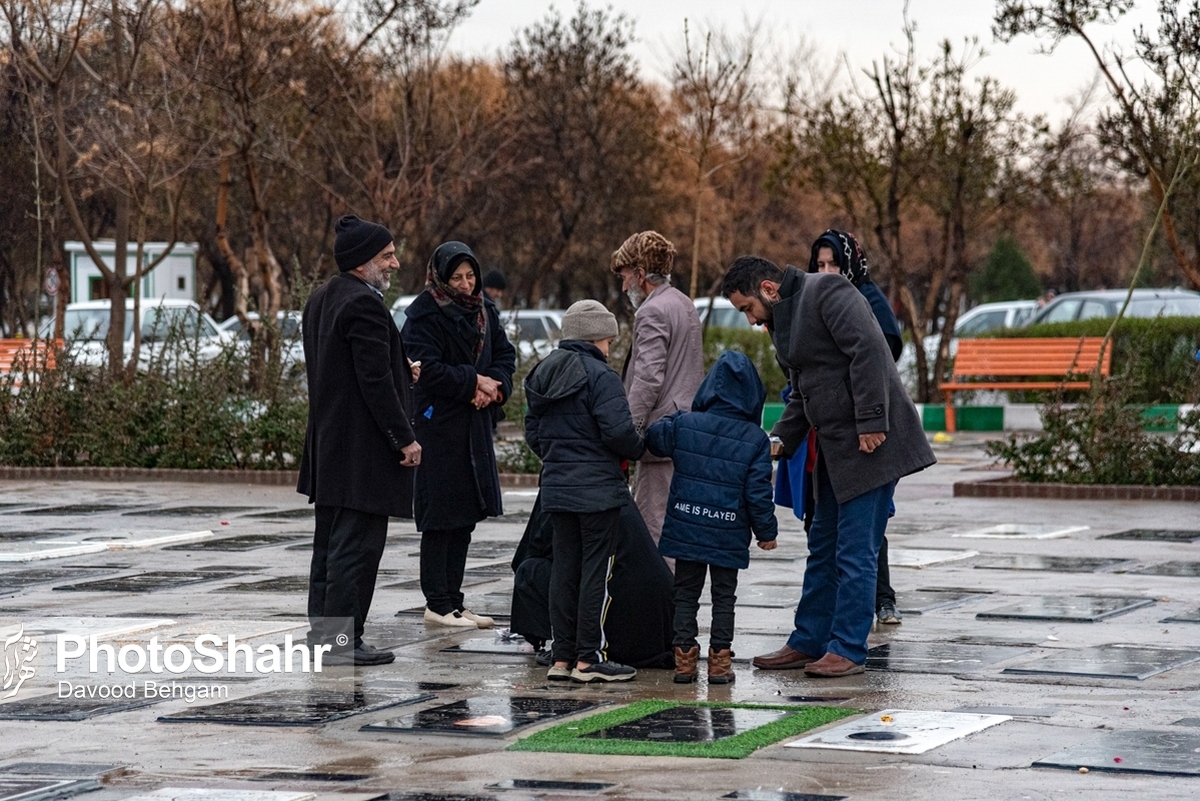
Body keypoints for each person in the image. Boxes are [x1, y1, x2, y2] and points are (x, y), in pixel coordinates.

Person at [722, 255, 935, 677]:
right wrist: (781, 439)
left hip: (871, 444)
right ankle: (808, 641)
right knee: (823, 548)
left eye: (747, 308)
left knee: (855, 552)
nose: (749, 320)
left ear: (767, 288)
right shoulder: (783, 321)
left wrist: (873, 419)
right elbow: (802, 391)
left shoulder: (828, 291)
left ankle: (849, 649)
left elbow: (870, 351)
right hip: (835, 451)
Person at [298, 214, 421, 667]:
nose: (394, 263)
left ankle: (326, 637)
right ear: (361, 262)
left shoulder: (321, 299)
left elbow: (344, 370)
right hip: (362, 452)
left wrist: (398, 371)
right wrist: (404, 439)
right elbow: (372, 382)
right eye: (386, 256)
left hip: (330, 446)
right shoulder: (365, 305)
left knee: (330, 545)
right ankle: (342, 643)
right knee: (357, 548)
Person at [524, 299, 645, 683]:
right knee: (596, 572)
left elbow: (533, 433)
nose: (609, 348)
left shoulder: (543, 372)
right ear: (596, 337)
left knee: (564, 569)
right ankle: (588, 659)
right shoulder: (600, 376)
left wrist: (558, 459)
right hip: (597, 493)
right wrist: (640, 449)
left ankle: (561, 657)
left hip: (557, 491)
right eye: (608, 340)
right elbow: (619, 433)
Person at [645, 351, 779, 685]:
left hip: (686, 527)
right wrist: (766, 531)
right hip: (728, 533)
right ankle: (720, 664)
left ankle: (684, 663)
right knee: (724, 597)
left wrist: (676, 416)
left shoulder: (685, 425)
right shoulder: (754, 439)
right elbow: (758, 493)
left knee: (686, 594)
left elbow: (653, 438)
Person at [402, 241, 516, 629]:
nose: (466, 285)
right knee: (441, 516)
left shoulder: (485, 312)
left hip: (474, 424)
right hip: (438, 424)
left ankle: (455, 600)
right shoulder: (423, 314)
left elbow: (505, 356)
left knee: (465, 515)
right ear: (441, 278)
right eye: (457, 277)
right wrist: (473, 383)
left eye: (470, 276)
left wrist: (495, 388)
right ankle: (437, 601)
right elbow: (424, 368)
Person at [809, 229, 903, 626]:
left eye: (834, 264)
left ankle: (878, 601)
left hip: (867, 429)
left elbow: (880, 355)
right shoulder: (816, 302)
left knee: (864, 527)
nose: (827, 272)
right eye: (820, 265)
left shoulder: (867, 300)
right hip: (829, 428)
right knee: (826, 526)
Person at [610, 231, 705, 558]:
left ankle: (664, 606)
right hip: (687, 429)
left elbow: (648, 378)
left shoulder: (651, 311)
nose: (624, 287)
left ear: (639, 274)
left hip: (660, 437)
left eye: (625, 277)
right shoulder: (683, 303)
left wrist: (627, 429)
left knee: (655, 528)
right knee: (679, 528)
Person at [509, 492, 675, 670]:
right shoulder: (615, 494)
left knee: (542, 570)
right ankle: (576, 653)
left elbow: (538, 545)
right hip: (656, 629)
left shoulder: (563, 491)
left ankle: (573, 654)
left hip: (616, 630)